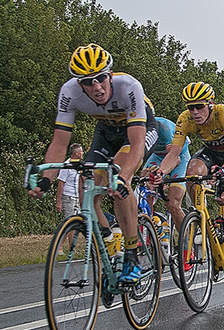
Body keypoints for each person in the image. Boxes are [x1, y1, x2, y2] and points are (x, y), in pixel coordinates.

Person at [28, 43, 158, 283]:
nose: (97, 87)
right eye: (88, 82)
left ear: (110, 75)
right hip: (106, 131)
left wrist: (123, 177)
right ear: (79, 84)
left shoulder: (129, 86)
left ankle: (131, 254)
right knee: (85, 179)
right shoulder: (69, 93)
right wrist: (46, 179)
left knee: (116, 176)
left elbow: (137, 145)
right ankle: (108, 239)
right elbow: (59, 143)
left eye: (100, 79)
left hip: (139, 129)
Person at [153, 82, 224, 258]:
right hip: (209, 152)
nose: (194, 112)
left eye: (199, 106)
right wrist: (160, 173)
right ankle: (202, 218)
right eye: (190, 107)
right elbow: (174, 153)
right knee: (192, 171)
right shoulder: (185, 118)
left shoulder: (223, 112)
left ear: (210, 104)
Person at [143, 117, 191, 234]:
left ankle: (186, 245)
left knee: (172, 203)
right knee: (143, 186)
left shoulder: (165, 128)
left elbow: (175, 159)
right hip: (157, 157)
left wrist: (160, 174)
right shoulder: (134, 127)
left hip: (179, 157)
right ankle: (150, 231)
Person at [56, 143, 84, 219]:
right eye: (81, 152)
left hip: (77, 197)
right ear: (77, 153)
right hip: (68, 197)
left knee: (80, 220)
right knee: (70, 220)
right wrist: (58, 202)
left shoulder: (79, 166)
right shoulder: (67, 166)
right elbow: (61, 183)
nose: (82, 153)